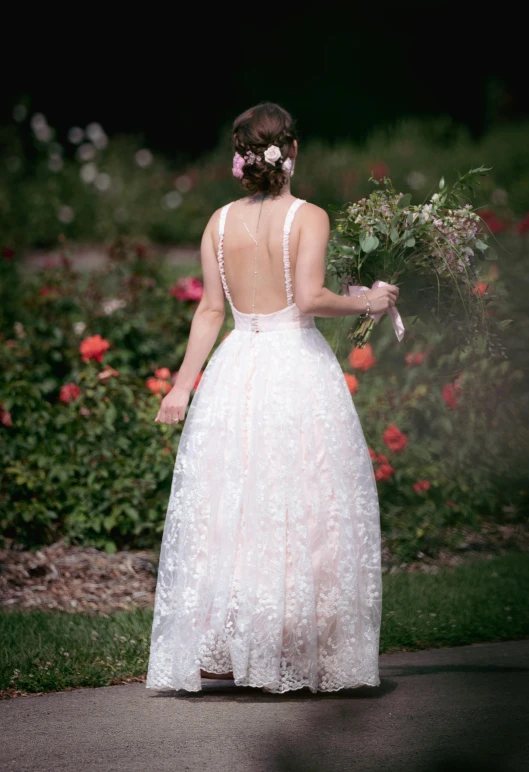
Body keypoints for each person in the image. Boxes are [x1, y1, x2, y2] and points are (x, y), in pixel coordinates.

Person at [146, 102, 399, 694]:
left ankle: (233, 646)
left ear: (241, 157)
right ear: (292, 149)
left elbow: (210, 310)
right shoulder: (309, 216)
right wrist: (368, 301)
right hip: (295, 367)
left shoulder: (218, 221)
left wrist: (183, 386)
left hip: (237, 367)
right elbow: (309, 297)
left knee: (236, 505)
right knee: (301, 502)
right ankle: (292, 646)